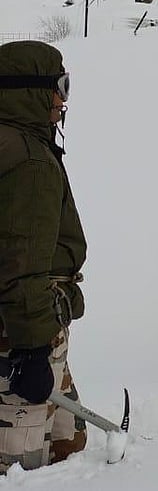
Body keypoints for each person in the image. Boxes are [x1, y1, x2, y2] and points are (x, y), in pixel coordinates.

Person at [0, 40, 87, 472]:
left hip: (29, 321)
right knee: (22, 466)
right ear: (30, 91)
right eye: (60, 86)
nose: (63, 100)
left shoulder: (12, 144)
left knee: (70, 446)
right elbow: (21, 263)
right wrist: (32, 349)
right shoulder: (29, 160)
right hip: (24, 331)